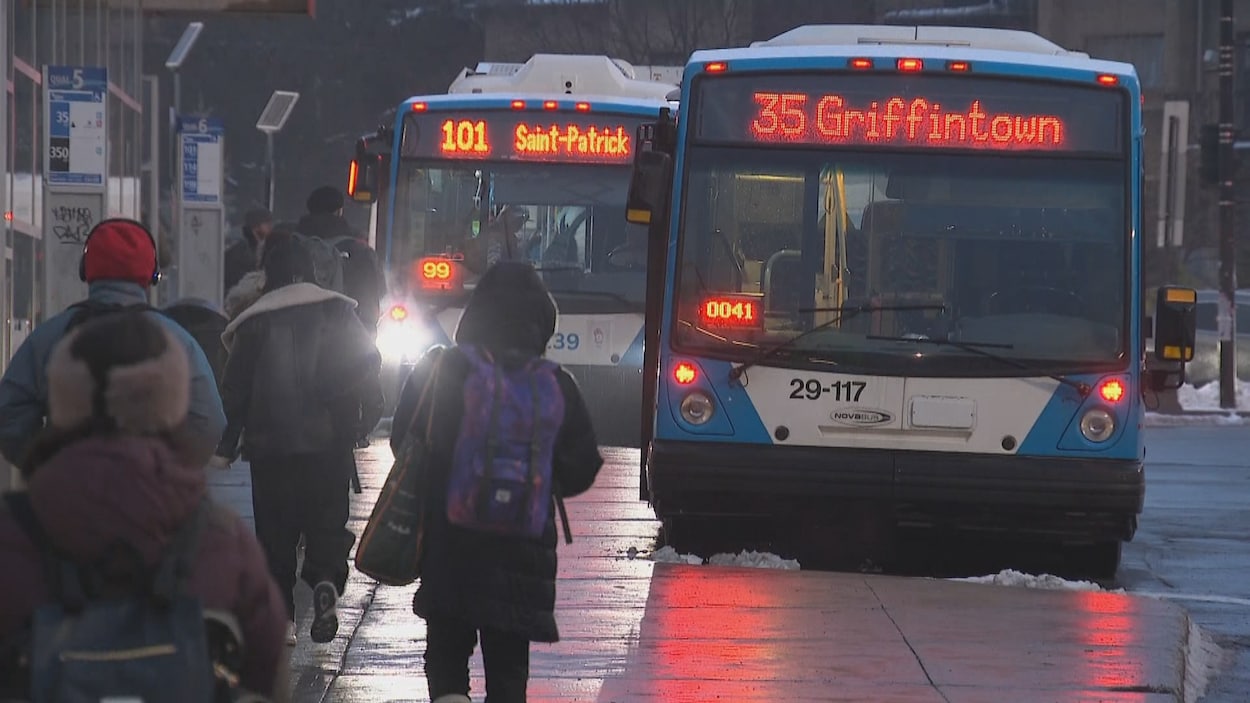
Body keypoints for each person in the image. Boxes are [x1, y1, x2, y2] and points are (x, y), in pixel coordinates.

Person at [0, 312, 291, 701]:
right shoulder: (223, 541)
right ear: (174, 403)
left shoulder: (12, 538)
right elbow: (268, 675)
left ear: (61, 398)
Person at [391, 261, 604, 703]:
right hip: (522, 552)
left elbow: (402, 442)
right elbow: (583, 464)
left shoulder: (442, 369)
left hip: (449, 543)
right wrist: (537, 482)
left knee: (446, 655)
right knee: (508, 670)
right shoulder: (555, 384)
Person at [214, 232, 381, 646]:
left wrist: (225, 444)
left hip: (270, 450)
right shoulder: (338, 312)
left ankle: (283, 619)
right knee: (327, 523)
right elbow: (368, 365)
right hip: (330, 446)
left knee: (275, 535)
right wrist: (361, 424)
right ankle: (325, 580)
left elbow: (235, 390)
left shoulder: (255, 321)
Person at [0, 218, 226, 470]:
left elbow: (9, 413)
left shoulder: (48, 336)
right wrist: (171, 468)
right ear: (153, 275)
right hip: (150, 495)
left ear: (86, 269)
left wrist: (45, 464)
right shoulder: (177, 340)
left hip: (67, 494)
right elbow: (210, 420)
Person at [224, 208, 273, 292]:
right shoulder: (241, 250)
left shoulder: (260, 246)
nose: (270, 226)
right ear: (256, 226)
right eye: (266, 223)